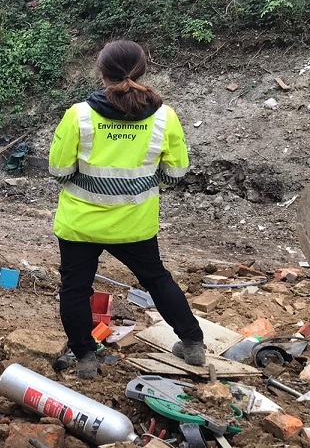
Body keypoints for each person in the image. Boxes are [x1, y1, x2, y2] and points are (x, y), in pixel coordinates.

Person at [48, 39, 205, 379]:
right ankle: (193, 344)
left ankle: (86, 358)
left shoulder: (80, 116)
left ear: (100, 72)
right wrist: (140, 186)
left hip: (81, 223)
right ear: (143, 70)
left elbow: (59, 170)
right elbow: (176, 173)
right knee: (157, 279)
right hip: (135, 224)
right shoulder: (165, 117)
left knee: (75, 290)